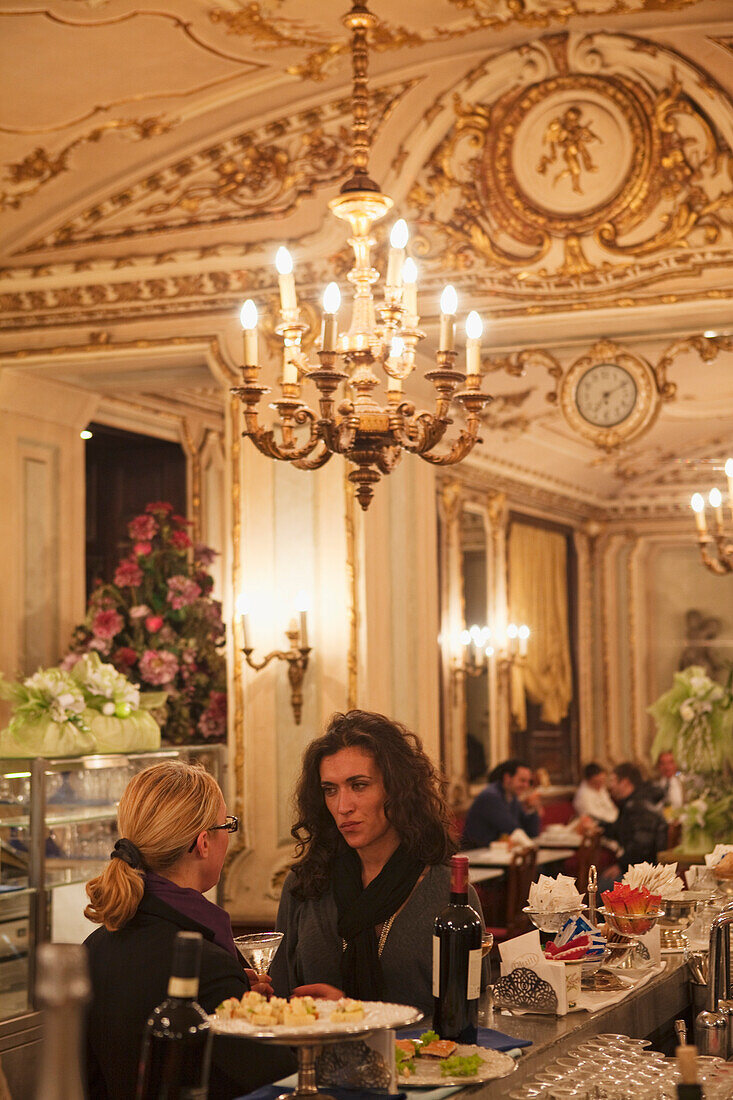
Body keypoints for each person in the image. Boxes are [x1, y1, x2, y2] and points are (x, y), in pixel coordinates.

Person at [83, 760, 295, 1100]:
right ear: (203, 843)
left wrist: (237, 992)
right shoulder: (206, 966)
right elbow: (281, 1083)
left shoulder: (93, 946)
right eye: (227, 825)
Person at [269, 709, 485, 1017]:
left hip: (420, 1062)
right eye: (330, 790)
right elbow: (280, 1001)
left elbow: (471, 1014)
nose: (343, 806)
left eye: (359, 785)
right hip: (314, 1061)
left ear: (397, 789)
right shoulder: (305, 885)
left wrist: (352, 1015)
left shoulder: (446, 892)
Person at [598, 762, 668, 889]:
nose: (610, 786)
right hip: (640, 865)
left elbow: (642, 845)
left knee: (602, 886)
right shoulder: (634, 802)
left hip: (646, 872)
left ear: (624, 782)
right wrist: (598, 826)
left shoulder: (638, 806)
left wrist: (621, 866)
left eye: (613, 780)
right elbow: (619, 830)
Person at [461, 759, 542, 849]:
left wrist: (532, 808)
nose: (526, 786)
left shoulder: (513, 798)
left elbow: (532, 833)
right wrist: (532, 849)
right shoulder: (490, 796)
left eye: (528, 782)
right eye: (522, 781)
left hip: (494, 854)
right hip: (475, 856)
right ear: (507, 778)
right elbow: (513, 830)